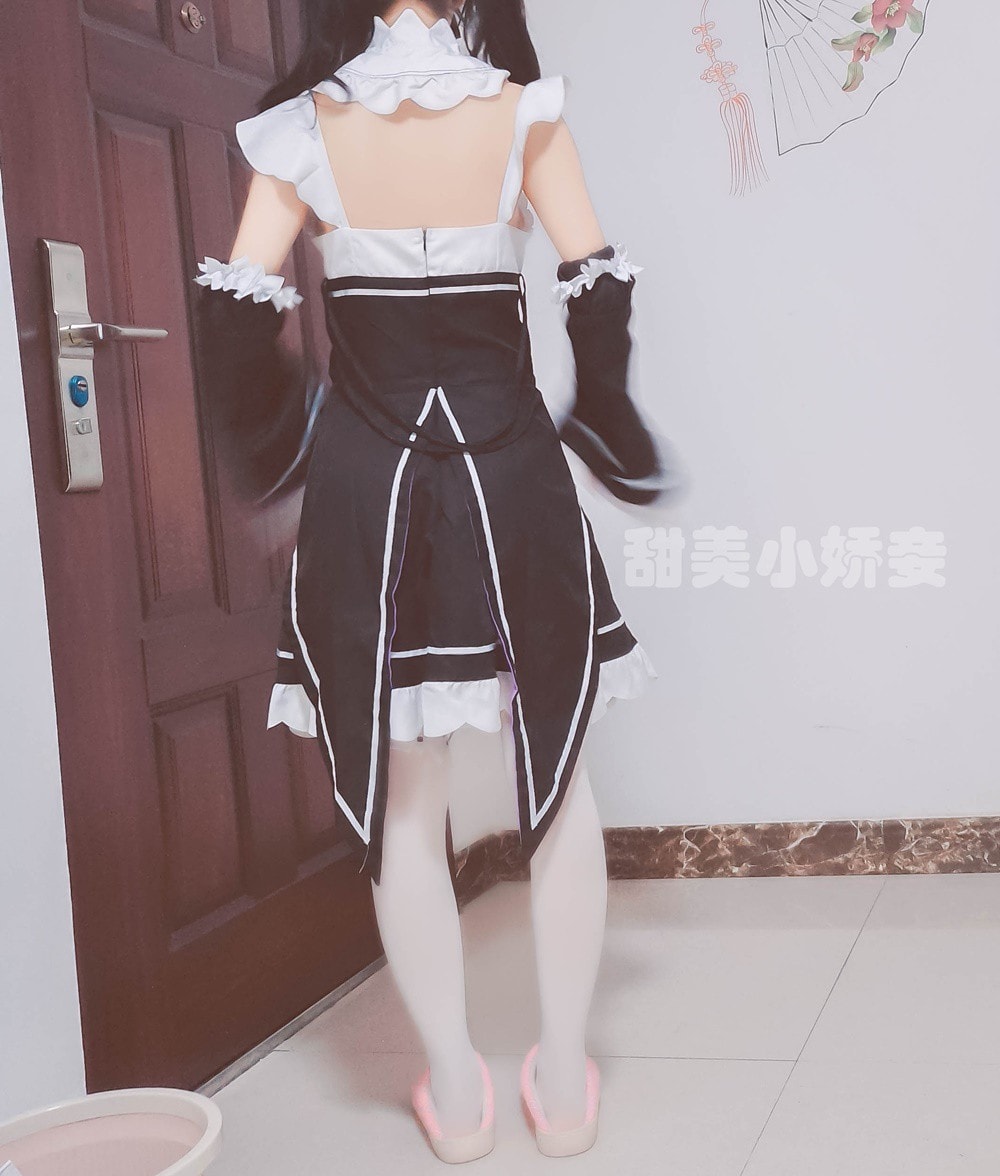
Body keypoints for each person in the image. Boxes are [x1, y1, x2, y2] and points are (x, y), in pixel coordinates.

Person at [193, 0, 667, 1160]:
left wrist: (289, 452)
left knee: (408, 795)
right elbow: (595, 289)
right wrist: (605, 422)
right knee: (558, 773)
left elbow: (231, 324)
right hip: (511, 474)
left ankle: (455, 1094)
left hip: (369, 487)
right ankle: (564, 1085)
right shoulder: (524, 112)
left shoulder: (300, 129)